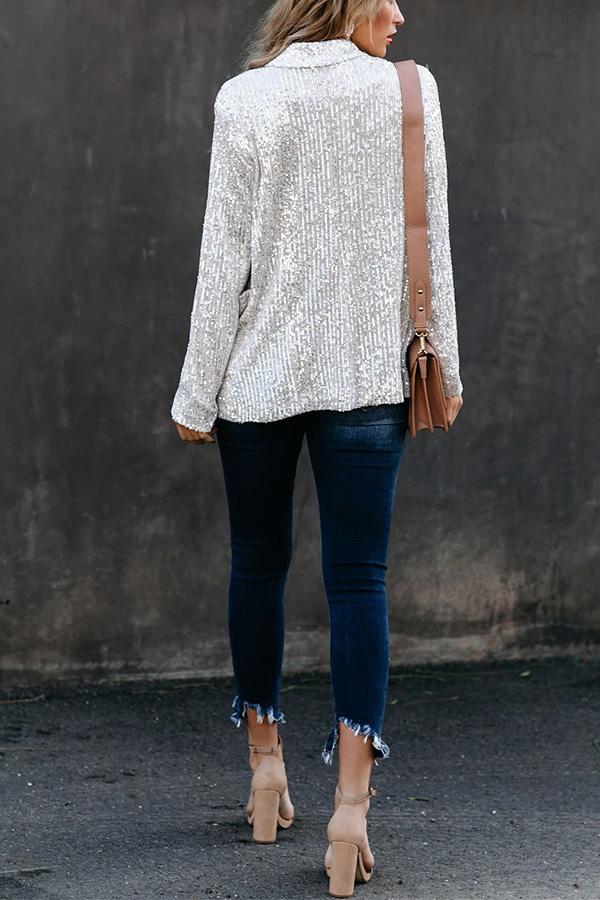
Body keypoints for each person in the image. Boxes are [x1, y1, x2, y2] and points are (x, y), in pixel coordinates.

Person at [170, 0, 463, 894]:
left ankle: (265, 772)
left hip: (255, 382)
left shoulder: (244, 99)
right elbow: (431, 246)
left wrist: (196, 392)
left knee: (257, 566)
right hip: (368, 379)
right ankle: (349, 814)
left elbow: (223, 264)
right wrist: (444, 366)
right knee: (359, 581)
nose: (400, 15)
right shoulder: (410, 93)